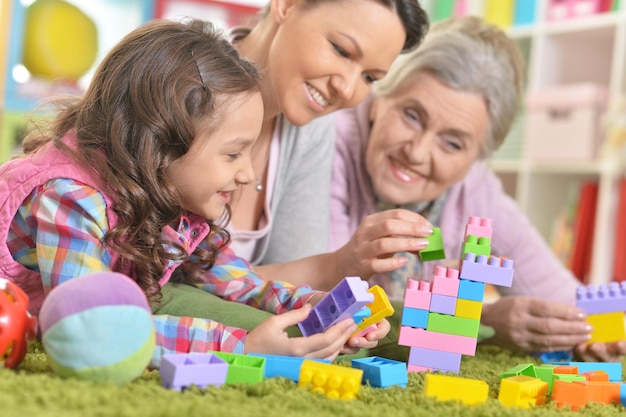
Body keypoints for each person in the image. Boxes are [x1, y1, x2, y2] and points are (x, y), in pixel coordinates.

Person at [0, 18, 388, 368]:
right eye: (234, 153)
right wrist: (241, 345)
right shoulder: (71, 199)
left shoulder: (175, 196)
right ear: (162, 144)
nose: (246, 173)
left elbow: (239, 281)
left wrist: (310, 306)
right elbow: (91, 327)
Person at [326, 16, 626, 362]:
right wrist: (480, 322)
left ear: (476, 161)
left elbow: (563, 301)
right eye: (411, 115)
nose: (417, 152)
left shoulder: (477, 191)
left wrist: (596, 333)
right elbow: (326, 300)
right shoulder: (331, 139)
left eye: (452, 144)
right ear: (380, 98)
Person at [156, 0, 428, 342]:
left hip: (214, 293)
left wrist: (341, 267)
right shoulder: (183, 86)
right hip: (145, 297)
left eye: (369, 77)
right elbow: (160, 276)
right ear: (287, 5)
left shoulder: (311, 127)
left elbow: (249, 281)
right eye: (341, 50)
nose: (346, 88)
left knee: (402, 329)